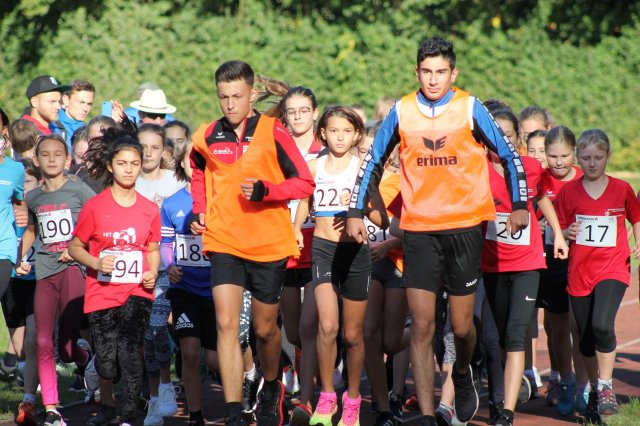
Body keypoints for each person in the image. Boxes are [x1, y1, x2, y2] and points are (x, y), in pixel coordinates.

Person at [347, 37, 529, 426]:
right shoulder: (402, 111)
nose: (433, 79)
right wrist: (355, 211)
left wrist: (519, 204)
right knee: (422, 325)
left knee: (462, 327)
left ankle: (462, 371)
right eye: (427, 72)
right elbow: (373, 162)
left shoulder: (470, 107)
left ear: (453, 73)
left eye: (441, 72)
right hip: (419, 230)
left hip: (464, 227)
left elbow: (509, 154)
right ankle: (429, 416)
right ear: (417, 73)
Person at [189, 60, 315, 425]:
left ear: (251, 94)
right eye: (223, 97)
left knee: (264, 329)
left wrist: (267, 191)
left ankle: (272, 384)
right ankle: (233, 412)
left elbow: (304, 183)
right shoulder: (206, 135)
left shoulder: (273, 131)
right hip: (224, 240)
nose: (230, 104)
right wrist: (200, 209)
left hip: (268, 243)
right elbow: (197, 170)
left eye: (237, 96)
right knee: (227, 324)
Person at [294, 105, 387, 426]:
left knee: (353, 335)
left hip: (355, 254)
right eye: (333, 131)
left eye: (347, 131)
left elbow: (382, 218)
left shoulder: (363, 170)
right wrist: (296, 229)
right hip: (322, 250)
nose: (340, 137)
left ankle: (352, 400)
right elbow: (303, 203)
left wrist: (358, 211)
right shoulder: (313, 167)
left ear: (357, 134)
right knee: (327, 326)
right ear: (322, 133)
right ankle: (327, 396)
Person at [68, 124, 161, 426]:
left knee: (130, 351)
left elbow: (152, 248)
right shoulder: (95, 207)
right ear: (110, 166)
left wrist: (152, 272)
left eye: (134, 163)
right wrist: (96, 262)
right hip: (102, 292)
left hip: (137, 291)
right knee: (109, 362)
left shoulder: (150, 209)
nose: (129, 169)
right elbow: (75, 246)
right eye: (122, 163)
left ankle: (128, 414)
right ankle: (106, 401)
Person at [555, 129, 640, 422]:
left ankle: (605, 386)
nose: (592, 163)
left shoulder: (621, 189)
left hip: (613, 267)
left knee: (602, 324)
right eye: (586, 158)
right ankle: (595, 390)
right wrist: (565, 232)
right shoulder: (568, 192)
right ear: (578, 158)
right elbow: (557, 230)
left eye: (598, 157)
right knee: (585, 337)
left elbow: (636, 217)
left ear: (608, 157)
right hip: (580, 271)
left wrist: (638, 240)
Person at [482, 149, 568, 426]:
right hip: (493, 264)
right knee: (502, 339)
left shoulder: (529, 167)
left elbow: (542, 196)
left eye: (506, 136)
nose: (498, 144)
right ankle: (510, 380)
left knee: (515, 335)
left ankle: (507, 412)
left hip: (527, 263)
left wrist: (557, 234)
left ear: (515, 139)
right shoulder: (476, 167)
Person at [15, 134, 95, 426]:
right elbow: (32, 231)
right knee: (43, 340)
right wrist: (19, 259)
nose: (51, 159)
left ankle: (85, 360)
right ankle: (52, 409)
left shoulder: (79, 190)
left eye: (57, 154)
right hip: (45, 273)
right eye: (45, 155)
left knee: (66, 347)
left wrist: (78, 248)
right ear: (36, 161)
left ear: (68, 159)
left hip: (74, 271)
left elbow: (98, 221)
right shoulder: (34, 197)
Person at [160, 144, 217, 425]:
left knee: (216, 361)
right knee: (190, 353)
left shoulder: (220, 199)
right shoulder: (171, 204)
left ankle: (245, 388)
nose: (195, 167)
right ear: (181, 164)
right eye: (190, 161)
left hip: (217, 289)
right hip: (184, 290)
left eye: (201, 161)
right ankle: (195, 415)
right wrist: (170, 266)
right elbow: (166, 243)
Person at [535, 126, 588, 414]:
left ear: (574, 153)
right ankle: (565, 378)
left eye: (564, 156)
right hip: (552, 261)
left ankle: (583, 383)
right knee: (557, 326)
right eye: (552, 156)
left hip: (581, 260)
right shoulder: (540, 180)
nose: (558, 162)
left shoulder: (584, 177)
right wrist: (551, 230)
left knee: (578, 326)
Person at [134, 123, 184, 425]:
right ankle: (154, 398)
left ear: (164, 150)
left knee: (156, 329)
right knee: (145, 337)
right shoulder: (127, 180)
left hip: (167, 271)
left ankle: (165, 384)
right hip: (136, 273)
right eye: (143, 147)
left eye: (155, 147)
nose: (149, 153)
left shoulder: (175, 181)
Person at [3, 159, 41, 425]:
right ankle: (31, 389)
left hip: (38, 280)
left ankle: (34, 399)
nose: (24, 187)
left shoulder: (41, 208)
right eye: (21, 183)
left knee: (34, 339)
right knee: (21, 350)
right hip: (12, 281)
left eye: (28, 182)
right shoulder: (7, 208)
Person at [58, 80, 95, 150]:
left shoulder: (89, 130)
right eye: (81, 102)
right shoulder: (52, 126)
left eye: (89, 104)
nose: (85, 109)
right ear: (66, 100)